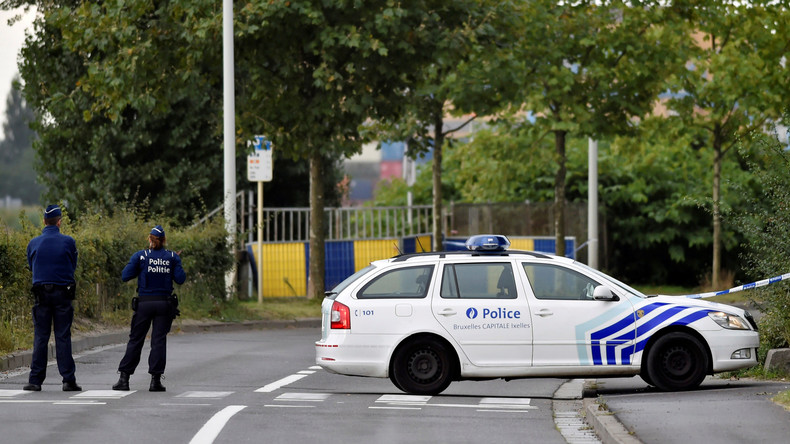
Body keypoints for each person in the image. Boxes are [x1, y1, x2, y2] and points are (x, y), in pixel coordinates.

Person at [112, 224, 186, 392]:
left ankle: (124, 379)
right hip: (164, 304)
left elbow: (125, 276)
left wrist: (141, 267)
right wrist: (175, 261)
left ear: (149, 239)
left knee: (136, 339)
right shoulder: (172, 257)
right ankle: (155, 381)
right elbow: (180, 279)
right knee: (158, 340)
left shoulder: (141, 256)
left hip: (144, 304)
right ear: (164, 240)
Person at [24, 204, 81, 392]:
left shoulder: (33, 243)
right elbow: (72, 265)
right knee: (62, 335)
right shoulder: (68, 242)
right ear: (59, 222)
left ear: (43, 221)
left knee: (41, 336)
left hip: (41, 293)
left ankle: (35, 380)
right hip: (63, 293)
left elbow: (32, 266)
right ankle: (68, 380)